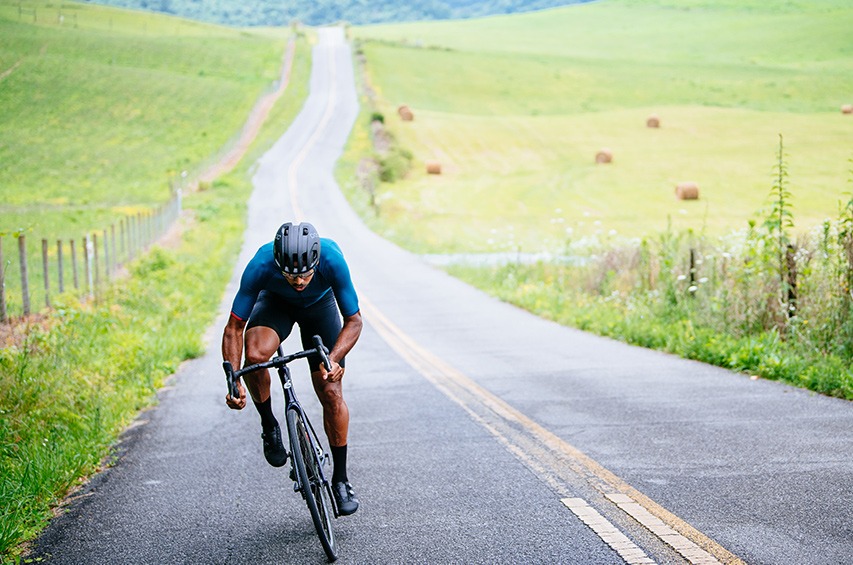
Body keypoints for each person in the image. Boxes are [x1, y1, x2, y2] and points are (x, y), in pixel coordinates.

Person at [222, 221, 362, 515]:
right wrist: (233, 381)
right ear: (277, 263)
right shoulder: (261, 263)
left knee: (331, 391)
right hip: (276, 305)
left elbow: (354, 321)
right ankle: (269, 424)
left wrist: (334, 358)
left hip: (320, 309)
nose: (299, 282)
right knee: (257, 355)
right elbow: (235, 327)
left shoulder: (332, 259)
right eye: (290, 275)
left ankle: (340, 479)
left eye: (305, 275)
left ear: (315, 262)